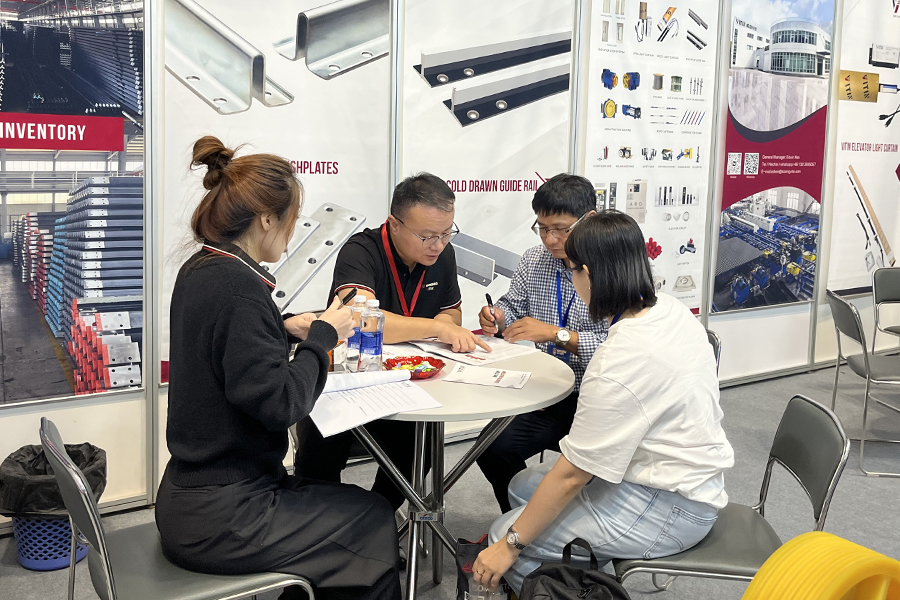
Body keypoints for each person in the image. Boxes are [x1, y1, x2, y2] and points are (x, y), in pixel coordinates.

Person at [156, 136, 401, 600]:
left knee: (357, 510)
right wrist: (323, 337)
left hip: (193, 494)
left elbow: (222, 348)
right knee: (372, 518)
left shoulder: (205, 268)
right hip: (224, 514)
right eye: (292, 220)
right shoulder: (240, 289)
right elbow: (281, 404)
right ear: (267, 218)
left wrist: (283, 328)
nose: (292, 234)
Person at [471, 211, 735, 594]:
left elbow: (573, 475)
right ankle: (581, 580)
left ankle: (574, 585)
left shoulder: (618, 359)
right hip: (678, 480)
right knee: (522, 486)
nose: (571, 278)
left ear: (590, 274)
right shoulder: (670, 309)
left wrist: (509, 545)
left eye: (573, 269)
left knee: (504, 533)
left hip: (668, 506)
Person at [294, 173, 489, 513]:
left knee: (421, 452)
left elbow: (452, 313)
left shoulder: (442, 254)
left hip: (406, 384)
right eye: (427, 236)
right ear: (395, 224)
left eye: (446, 233)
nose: (437, 245)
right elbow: (359, 318)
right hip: (348, 382)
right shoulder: (360, 250)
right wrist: (435, 328)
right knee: (317, 462)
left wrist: (442, 325)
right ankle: (323, 526)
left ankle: (377, 518)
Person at [476, 174, 608, 513]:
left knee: (593, 471)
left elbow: (619, 348)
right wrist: (498, 316)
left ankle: (549, 527)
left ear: (590, 219)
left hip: (600, 399)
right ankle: (521, 526)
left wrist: (554, 334)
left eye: (561, 229)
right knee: (491, 449)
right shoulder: (534, 259)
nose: (550, 239)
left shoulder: (614, 268)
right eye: (543, 228)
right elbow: (513, 305)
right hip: (549, 393)